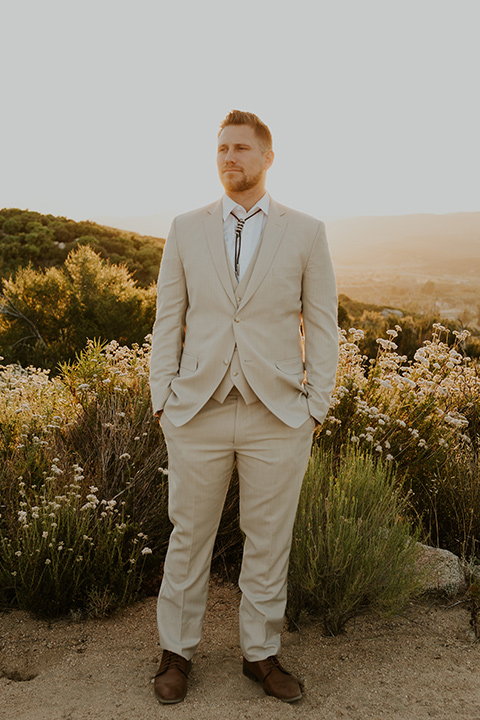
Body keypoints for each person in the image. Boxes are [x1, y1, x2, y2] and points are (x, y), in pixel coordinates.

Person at [149, 110, 338, 704]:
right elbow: (167, 321)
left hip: (278, 415)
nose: (230, 157)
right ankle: (175, 653)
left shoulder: (305, 231)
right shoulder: (185, 228)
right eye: (223, 149)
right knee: (189, 536)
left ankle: (261, 655)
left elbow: (324, 325)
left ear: (267, 157)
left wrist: (316, 407)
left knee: (268, 539)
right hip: (197, 411)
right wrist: (163, 401)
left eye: (242, 149)